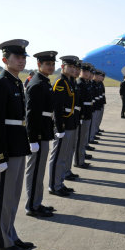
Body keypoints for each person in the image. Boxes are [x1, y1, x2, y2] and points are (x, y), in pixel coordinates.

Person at [0, 39, 35, 250]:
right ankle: (0, 241)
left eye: (23, 57)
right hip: (7, 148)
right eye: (17, 57)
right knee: (2, 197)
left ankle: (9, 234)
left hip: (18, 145)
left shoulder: (16, 83)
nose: (21, 60)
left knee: (13, 196)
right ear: (4, 60)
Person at [24, 51, 58, 218]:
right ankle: (32, 205)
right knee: (35, 171)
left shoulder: (44, 82)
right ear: (39, 65)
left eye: (52, 64)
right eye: (47, 64)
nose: (51, 67)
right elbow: (31, 114)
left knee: (39, 171)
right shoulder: (37, 84)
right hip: (38, 135)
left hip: (44, 132)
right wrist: (32, 139)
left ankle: (37, 202)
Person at [48, 55, 79, 197]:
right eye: (70, 67)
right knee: (57, 157)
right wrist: (59, 128)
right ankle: (54, 186)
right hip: (63, 126)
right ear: (63, 67)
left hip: (69, 124)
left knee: (64, 156)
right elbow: (57, 108)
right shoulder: (60, 82)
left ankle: (59, 183)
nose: (73, 69)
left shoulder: (69, 82)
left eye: (74, 67)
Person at [74, 63, 94, 169]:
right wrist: (81, 116)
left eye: (88, 72)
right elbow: (79, 102)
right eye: (85, 71)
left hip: (87, 113)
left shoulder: (85, 83)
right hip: (82, 115)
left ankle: (81, 158)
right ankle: (78, 161)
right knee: (80, 140)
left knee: (83, 139)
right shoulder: (80, 83)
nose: (87, 74)